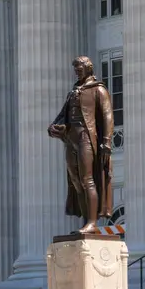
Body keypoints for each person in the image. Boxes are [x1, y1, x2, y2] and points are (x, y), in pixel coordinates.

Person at [48, 56, 114, 234]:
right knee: (76, 182)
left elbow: (107, 115)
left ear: (88, 68)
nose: (77, 71)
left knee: (87, 179)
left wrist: (107, 141)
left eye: (79, 68)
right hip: (71, 139)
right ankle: (86, 220)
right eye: (75, 68)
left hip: (87, 137)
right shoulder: (73, 91)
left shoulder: (98, 90)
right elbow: (63, 115)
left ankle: (92, 223)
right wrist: (54, 127)